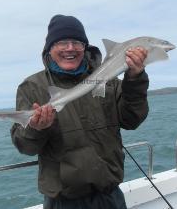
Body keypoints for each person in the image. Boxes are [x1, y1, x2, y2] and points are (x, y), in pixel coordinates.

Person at [11, 14, 149, 209]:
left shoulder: (107, 81)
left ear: (85, 47)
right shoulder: (32, 88)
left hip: (110, 197)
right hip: (64, 202)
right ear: (49, 49)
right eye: (62, 42)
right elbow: (25, 147)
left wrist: (135, 79)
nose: (70, 48)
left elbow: (132, 120)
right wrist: (36, 128)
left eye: (77, 42)